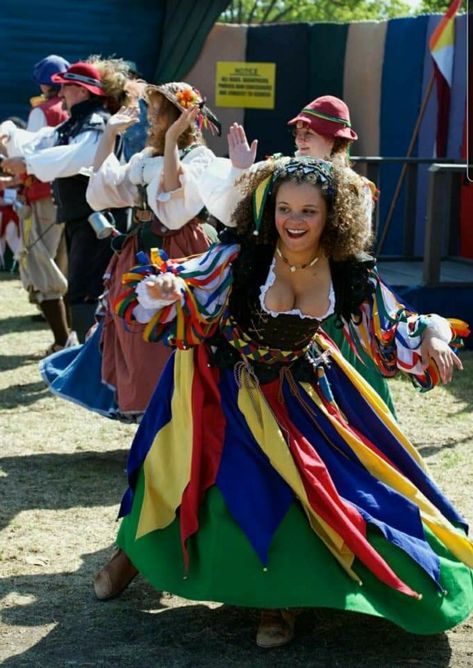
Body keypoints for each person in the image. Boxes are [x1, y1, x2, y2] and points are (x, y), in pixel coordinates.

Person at [95, 157, 472, 647]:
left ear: (332, 216)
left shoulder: (347, 271)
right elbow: (192, 281)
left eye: (309, 212)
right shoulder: (244, 256)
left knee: (309, 488)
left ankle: (280, 602)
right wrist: (167, 289)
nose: (294, 220)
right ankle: (129, 559)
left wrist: (432, 338)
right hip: (219, 379)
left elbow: (392, 320)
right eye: (285, 208)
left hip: (296, 386)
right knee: (180, 477)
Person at [41, 82, 220, 421]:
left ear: (181, 117)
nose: (150, 118)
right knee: (133, 331)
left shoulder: (200, 158)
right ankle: (148, 411)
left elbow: (175, 204)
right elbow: (105, 191)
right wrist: (109, 135)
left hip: (182, 251)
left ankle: (180, 416)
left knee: (175, 329)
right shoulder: (144, 157)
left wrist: (170, 144)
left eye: (158, 112)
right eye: (151, 110)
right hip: (141, 250)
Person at [0, 61, 127, 342]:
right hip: (81, 218)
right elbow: (44, 141)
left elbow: (80, 157)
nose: (62, 91)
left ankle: (92, 361)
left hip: (99, 221)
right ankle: (87, 357)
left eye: (67, 86)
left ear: (81, 91)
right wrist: (9, 132)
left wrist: (28, 162)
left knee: (85, 291)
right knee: (82, 290)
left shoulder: (97, 122)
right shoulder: (78, 121)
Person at [14, 55, 71, 354]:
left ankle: (63, 340)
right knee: (62, 261)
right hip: (67, 196)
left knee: (41, 262)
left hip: (41, 194)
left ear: (42, 82)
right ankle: (68, 336)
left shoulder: (42, 112)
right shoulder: (72, 109)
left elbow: (31, 155)